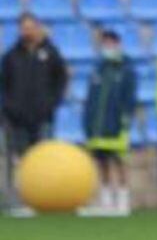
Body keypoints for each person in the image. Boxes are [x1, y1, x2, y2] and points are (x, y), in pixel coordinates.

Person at [82, 29, 137, 216]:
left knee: (119, 160)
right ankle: (106, 200)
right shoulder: (97, 70)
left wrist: (125, 120)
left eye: (111, 43)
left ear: (118, 44)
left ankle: (123, 199)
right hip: (98, 125)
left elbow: (130, 98)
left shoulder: (126, 69)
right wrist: (88, 122)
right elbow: (91, 98)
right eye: (104, 44)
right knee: (102, 161)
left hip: (116, 123)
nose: (107, 47)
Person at [1, 13, 68, 161]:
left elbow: (61, 79)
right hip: (17, 118)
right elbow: (4, 84)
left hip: (43, 116)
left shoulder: (51, 53)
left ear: (37, 28)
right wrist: (9, 106)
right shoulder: (10, 56)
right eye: (24, 28)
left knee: (43, 159)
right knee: (21, 160)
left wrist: (52, 102)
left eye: (31, 27)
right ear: (19, 30)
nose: (28, 31)